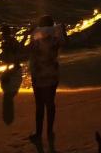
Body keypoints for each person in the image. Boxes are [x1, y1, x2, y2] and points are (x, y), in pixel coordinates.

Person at [27, 15, 67, 143]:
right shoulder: (55, 40)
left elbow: (25, 50)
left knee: (39, 105)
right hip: (52, 74)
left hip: (39, 75)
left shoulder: (36, 40)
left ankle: (38, 133)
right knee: (50, 104)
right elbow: (66, 42)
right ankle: (49, 131)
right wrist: (63, 31)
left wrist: (28, 34)